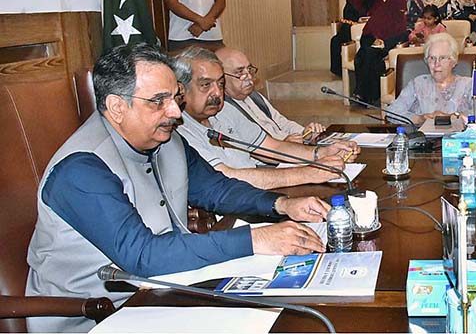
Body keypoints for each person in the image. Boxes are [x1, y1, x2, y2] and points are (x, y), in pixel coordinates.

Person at [26, 44, 330, 333]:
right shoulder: (81, 169)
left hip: (163, 295)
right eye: (159, 101)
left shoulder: (165, 137)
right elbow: (143, 256)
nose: (175, 112)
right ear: (117, 107)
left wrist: (280, 205)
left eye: (175, 98)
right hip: (95, 316)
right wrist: (255, 239)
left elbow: (217, 189)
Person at [174, 47, 354, 188]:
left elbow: (271, 147)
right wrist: (308, 173)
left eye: (220, 84)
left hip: (257, 193)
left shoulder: (225, 111)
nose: (217, 93)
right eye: (206, 85)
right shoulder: (178, 130)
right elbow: (225, 177)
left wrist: (322, 153)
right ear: (181, 89)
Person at [216, 47, 325, 143]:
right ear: (221, 79)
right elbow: (250, 150)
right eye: (240, 72)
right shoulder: (224, 111)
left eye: (249, 69)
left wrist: (304, 132)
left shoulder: (254, 96)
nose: (249, 76)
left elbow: (281, 123)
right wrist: (284, 144)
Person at [390, 33, 476, 124]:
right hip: (423, 140)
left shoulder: (468, 84)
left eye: (442, 58)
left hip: (459, 140)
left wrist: (453, 117)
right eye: (432, 58)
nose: (436, 64)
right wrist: (420, 119)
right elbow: (392, 112)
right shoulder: (417, 83)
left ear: (453, 62)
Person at [354, 0, 409, 105]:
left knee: (368, 56)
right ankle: (365, 95)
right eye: (400, 10)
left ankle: (361, 93)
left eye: (403, 11)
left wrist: (385, 43)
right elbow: (366, 37)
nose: (402, 13)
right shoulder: (379, 16)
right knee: (363, 55)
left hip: (388, 51)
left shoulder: (401, 21)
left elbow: (401, 37)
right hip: (372, 49)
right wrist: (374, 40)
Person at [330, 0, 384, 75]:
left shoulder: (379, 2)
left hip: (370, 31)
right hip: (350, 28)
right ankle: (338, 71)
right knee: (335, 41)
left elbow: (382, 18)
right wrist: (357, 20)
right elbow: (347, 14)